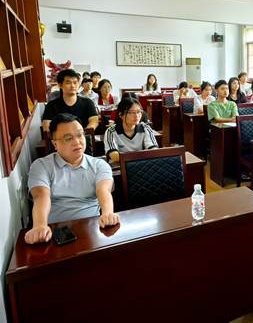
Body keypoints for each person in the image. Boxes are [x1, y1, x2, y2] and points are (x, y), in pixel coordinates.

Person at [24, 113, 119, 244]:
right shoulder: (41, 166)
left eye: (80, 135)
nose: (77, 141)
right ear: (55, 144)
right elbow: (41, 197)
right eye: (68, 138)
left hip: (93, 228)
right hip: (56, 232)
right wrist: (40, 226)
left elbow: (104, 191)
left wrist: (108, 213)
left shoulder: (99, 165)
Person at [104, 97, 159, 162]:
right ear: (121, 115)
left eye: (139, 112)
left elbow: (154, 151)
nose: (136, 115)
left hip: (141, 164)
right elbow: (115, 157)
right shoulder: (111, 131)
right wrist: (142, 155)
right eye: (131, 112)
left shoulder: (145, 128)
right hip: (121, 166)